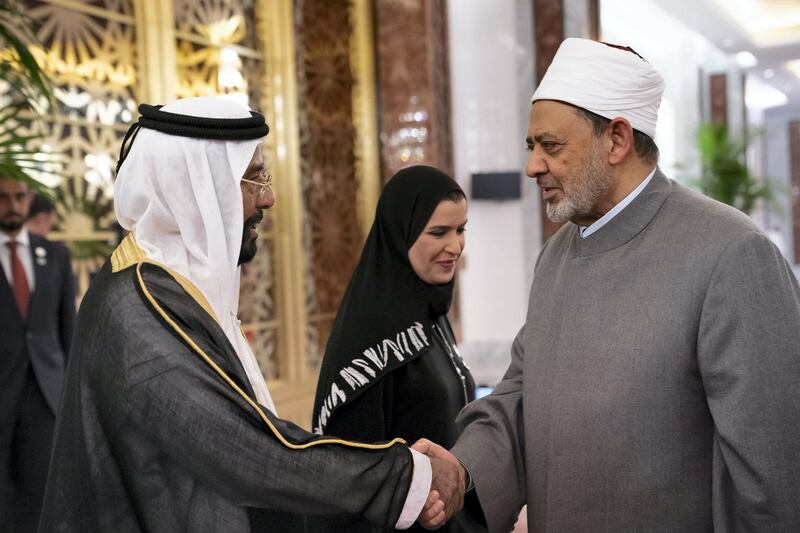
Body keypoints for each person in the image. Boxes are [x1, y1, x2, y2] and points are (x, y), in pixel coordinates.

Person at [417, 37, 800, 532]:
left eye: (550, 146)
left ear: (616, 140)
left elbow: (773, 473)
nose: (533, 165)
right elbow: (519, 395)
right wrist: (461, 467)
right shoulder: (557, 255)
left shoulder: (731, 253)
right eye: (532, 147)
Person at [39, 97, 458, 532]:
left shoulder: (171, 282)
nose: (269, 198)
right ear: (198, 185)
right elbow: (239, 448)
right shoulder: (138, 304)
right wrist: (403, 476)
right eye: (252, 178)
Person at [311, 165, 476, 532]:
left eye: (460, 229)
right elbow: (352, 474)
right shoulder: (372, 332)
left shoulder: (428, 314)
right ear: (401, 235)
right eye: (438, 232)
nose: (455, 245)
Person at [0, 178, 75, 533]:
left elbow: (67, 330)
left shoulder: (55, 255)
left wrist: (72, 393)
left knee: (42, 492)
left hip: (45, 393)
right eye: (3, 198)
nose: (13, 205)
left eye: (19, 197)